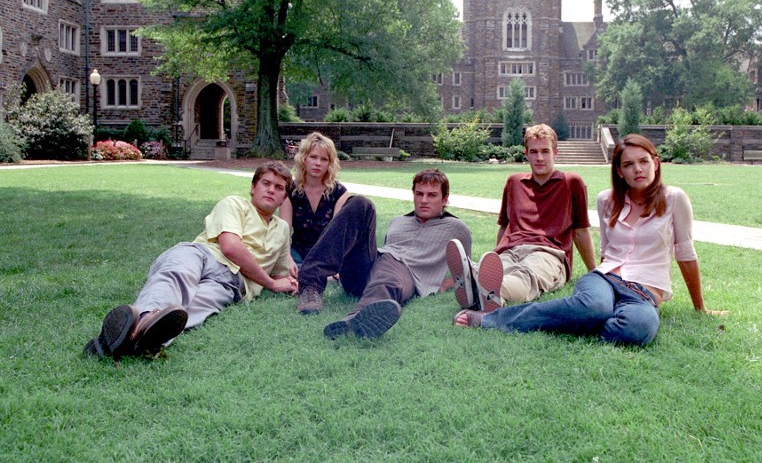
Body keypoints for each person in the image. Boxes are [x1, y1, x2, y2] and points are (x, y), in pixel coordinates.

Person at [455, 134, 725, 346]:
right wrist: (594, 275)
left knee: (637, 329)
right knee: (594, 305)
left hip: (643, 292)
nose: (637, 169)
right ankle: (490, 319)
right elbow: (607, 252)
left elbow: (686, 253)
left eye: (643, 161)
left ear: (656, 163)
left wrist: (700, 307)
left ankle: (581, 319)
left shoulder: (674, 198)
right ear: (619, 171)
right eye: (628, 164)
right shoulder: (607, 200)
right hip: (605, 279)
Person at [83, 161, 297, 359]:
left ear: (284, 198)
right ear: (253, 187)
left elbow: (281, 274)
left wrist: (292, 284)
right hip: (203, 256)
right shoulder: (235, 204)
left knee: (185, 312)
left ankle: (126, 339)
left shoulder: (283, 230)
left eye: (279, 188)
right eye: (266, 183)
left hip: (231, 284)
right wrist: (270, 284)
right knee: (176, 275)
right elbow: (231, 247)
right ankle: (145, 319)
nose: (271, 190)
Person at [447, 123, 596, 313]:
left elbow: (580, 230)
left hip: (548, 253)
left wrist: (594, 272)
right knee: (502, 268)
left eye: (545, 151)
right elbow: (504, 226)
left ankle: (487, 290)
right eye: (534, 152)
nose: (539, 157)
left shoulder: (571, 182)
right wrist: (496, 255)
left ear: (555, 153)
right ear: (526, 153)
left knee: (527, 275)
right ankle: (476, 278)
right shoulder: (514, 182)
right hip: (512, 248)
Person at [323, 168, 472, 339]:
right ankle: (313, 278)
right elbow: (380, 258)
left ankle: (355, 319)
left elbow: (465, 267)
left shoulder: (457, 228)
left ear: (444, 199)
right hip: (370, 269)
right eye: (419, 194)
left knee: (389, 274)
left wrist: (445, 284)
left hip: (405, 274)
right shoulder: (397, 221)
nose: (424, 200)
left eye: (432, 195)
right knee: (359, 203)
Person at [280, 132, 377, 315]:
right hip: (298, 254)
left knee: (362, 203)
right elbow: (283, 231)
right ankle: (309, 280)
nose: (318, 163)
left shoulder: (339, 192)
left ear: (330, 164)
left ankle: (311, 280)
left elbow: (338, 237)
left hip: (329, 256)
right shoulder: (291, 191)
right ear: (303, 158)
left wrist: (334, 270)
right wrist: (287, 258)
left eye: (324, 159)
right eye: (313, 157)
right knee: (286, 268)